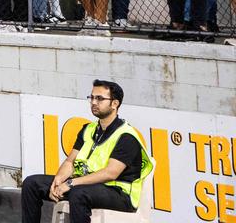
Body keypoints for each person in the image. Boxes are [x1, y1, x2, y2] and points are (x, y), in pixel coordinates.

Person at [20, 80, 154, 223]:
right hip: (88, 185)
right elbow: (70, 161)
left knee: (79, 194)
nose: (94, 102)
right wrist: (58, 180)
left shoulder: (126, 136)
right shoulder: (88, 130)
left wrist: (71, 183)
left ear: (115, 104)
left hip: (119, 193)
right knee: (31, 184)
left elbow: (110, 173)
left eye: (100, 98)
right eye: (92, 97)